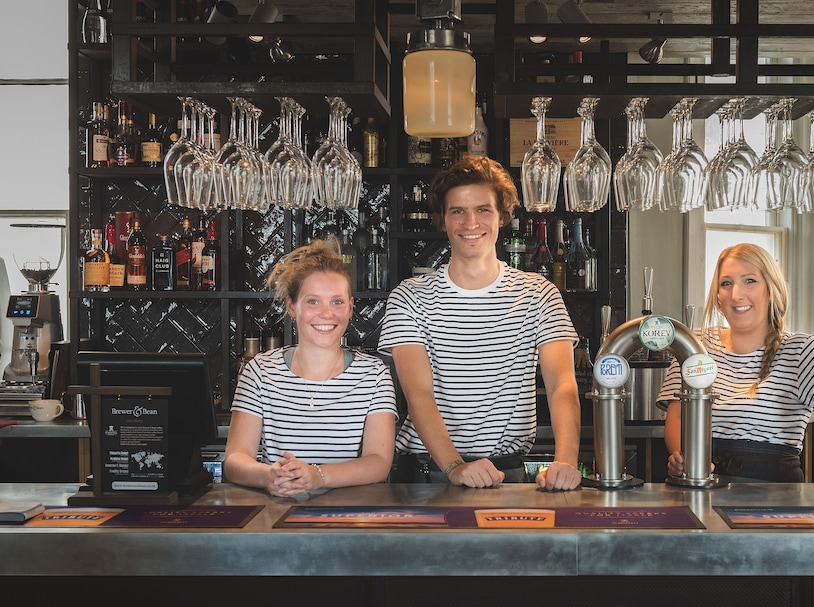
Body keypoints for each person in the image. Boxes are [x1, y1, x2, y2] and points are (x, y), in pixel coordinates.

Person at [378, 156, 582, 490]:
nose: (470, 222)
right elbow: (419, 394)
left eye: (483, 209)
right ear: (443, 219)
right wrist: (455, 467)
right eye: (457, 211)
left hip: (507, 477)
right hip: (425, 479)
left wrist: (566, 461)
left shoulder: (538, 295)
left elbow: (562, 385)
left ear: (502, 215)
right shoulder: (411, 297)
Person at [658, 243, 814, 482]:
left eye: (749, 281)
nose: (736, 295)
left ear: (771, 290)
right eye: (726, 283)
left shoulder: (802, 350)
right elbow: (677, 417)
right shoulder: (694, 346)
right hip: (700, 487)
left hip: (775, 496)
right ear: (717, 295)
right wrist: (684, 458)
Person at [225, 237, 397, 497]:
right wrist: (268, 476)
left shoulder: (374, 375)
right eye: (313, 301)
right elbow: (235, 460)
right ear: (292, 307)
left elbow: (379, 463)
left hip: (352, 516)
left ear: (350, 308)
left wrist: (317, 476)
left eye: (337, 302)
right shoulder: (260, 371)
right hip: (278, 515)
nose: (326, 313)